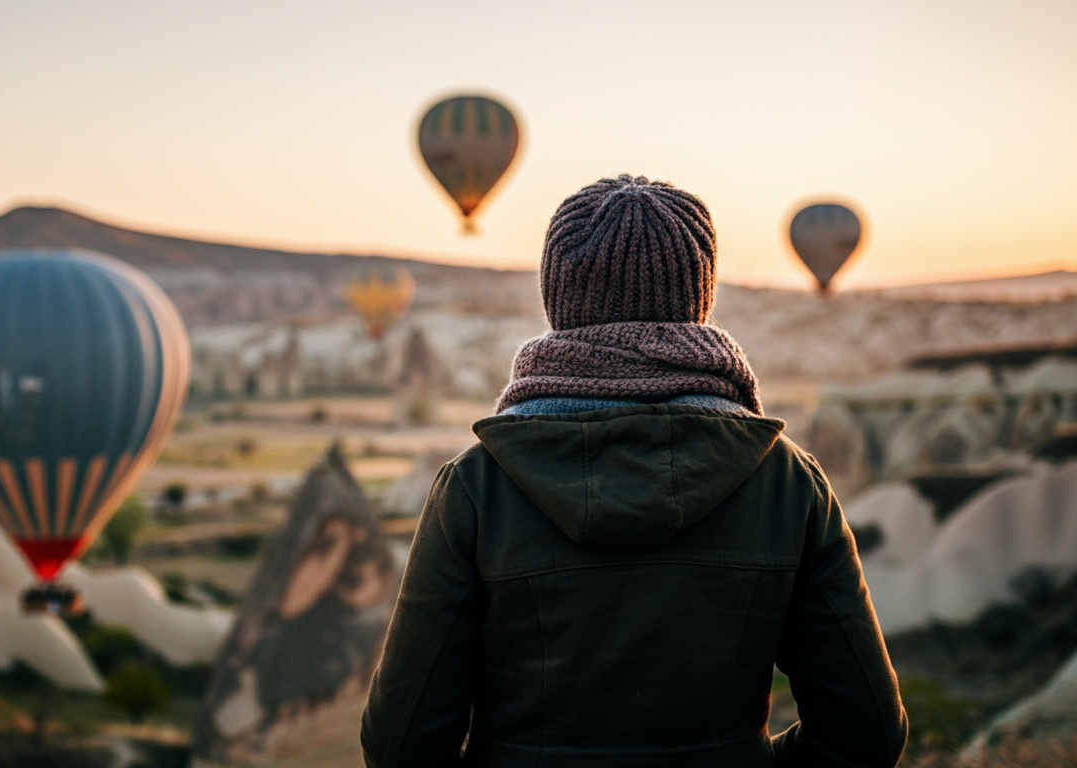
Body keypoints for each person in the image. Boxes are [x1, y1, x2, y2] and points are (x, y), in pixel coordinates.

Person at [361, 176, 908, 767]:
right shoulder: (786, 481)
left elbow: (401, 748)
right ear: (699, 297)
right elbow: (866, 733)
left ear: (556, 298)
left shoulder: (477, 486)